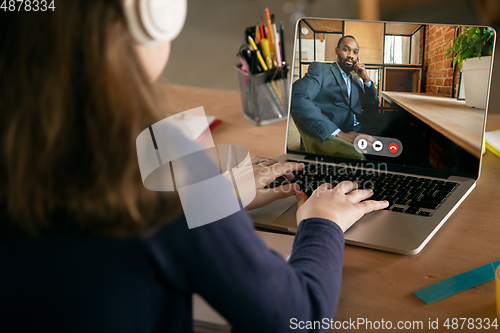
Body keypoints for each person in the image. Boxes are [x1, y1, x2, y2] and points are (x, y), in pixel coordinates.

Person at [0, 2, 388, 332]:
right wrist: (323, 221)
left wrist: (214, 196)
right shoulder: (160, 160)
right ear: (151, 14)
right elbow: (297, 316)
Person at [291, 35, 379, 148]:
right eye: (346, 49)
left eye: (355, 52)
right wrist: (339, 134)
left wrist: (366, 79)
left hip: (364, 131)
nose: (351, 55)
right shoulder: (321, 70)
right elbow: (297, 96)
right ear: (337, 51)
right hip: (339, 136)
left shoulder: (357, 82)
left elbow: (372, 107)